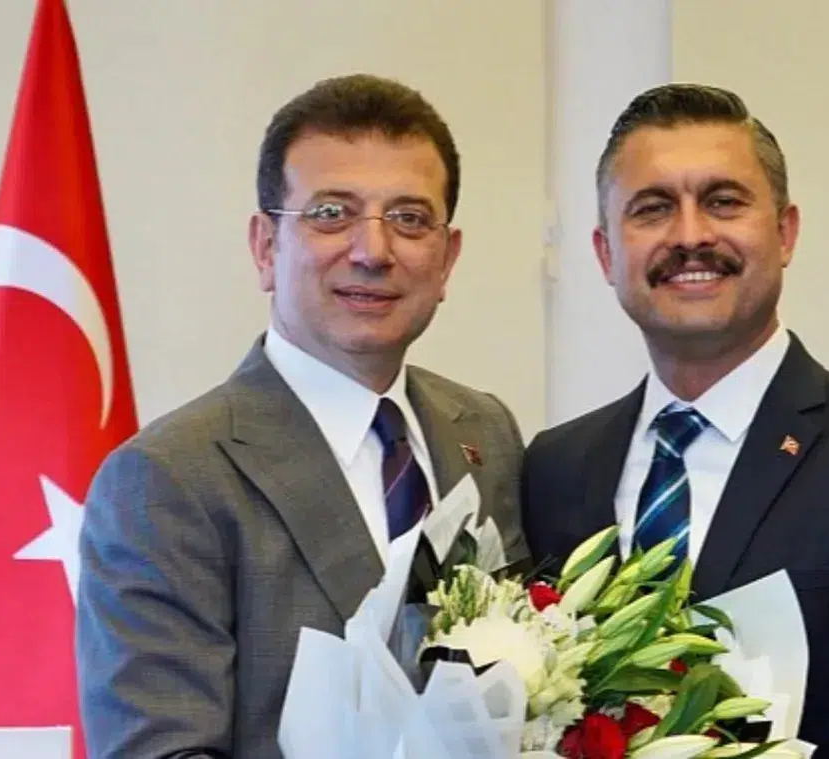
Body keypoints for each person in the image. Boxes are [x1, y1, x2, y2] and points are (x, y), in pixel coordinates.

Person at [521, 83, 829, 758]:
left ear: (785, 232)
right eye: (653, 208)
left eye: (723, 201)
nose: (691, 236)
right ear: (606, 253)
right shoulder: (555, 467)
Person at [76, 73, 528, 759]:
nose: (373, 252)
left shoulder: (485, 432)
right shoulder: (167, 478)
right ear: (266, 247)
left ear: (447, 259)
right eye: (331, 214)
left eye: (409, 218)